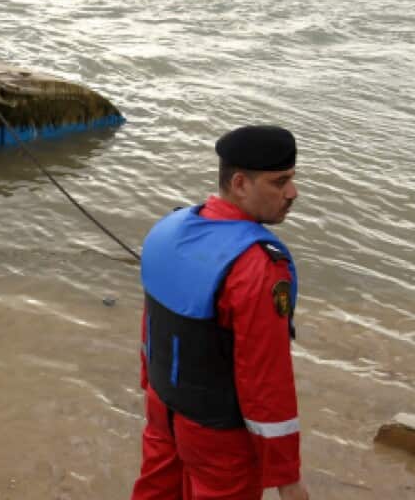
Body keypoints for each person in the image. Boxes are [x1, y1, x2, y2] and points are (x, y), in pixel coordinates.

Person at [131, 125, 308, 500]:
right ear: (241, 183)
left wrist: (152, 386)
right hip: (218, 436)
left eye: (292, 180)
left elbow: (151, 327)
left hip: (164, 410)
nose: (292, 193)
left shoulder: (168, 229)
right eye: (280, 182)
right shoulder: (258, 266)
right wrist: (287, 475)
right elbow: (264, 377)